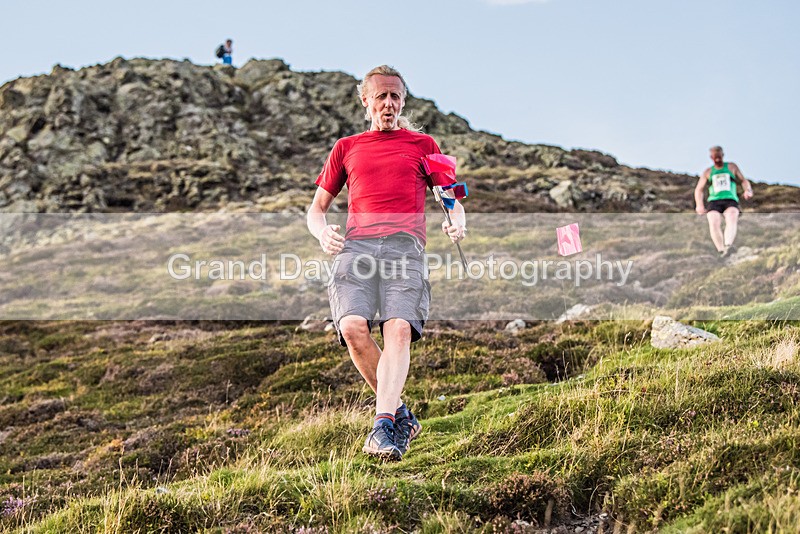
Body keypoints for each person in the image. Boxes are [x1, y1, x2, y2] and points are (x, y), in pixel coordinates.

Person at [307, 65, 466, 461]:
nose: (389, 103)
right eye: (381, 96)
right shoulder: (346, 147)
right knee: (352, 328)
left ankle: (382, 426)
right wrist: (321, 232)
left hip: (404, 249)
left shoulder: (423, 144)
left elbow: (450, 196)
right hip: (356, 250)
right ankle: (401, 415)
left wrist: (457, 220)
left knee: (398, 330)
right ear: (366, 101)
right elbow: (316, 210)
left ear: (403, 101)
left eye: (395, 96)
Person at [694, 146, 753, 257]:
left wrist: (748, 190)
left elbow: (744, 181)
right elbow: (699, 189)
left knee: (731, 217)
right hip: (714, 201)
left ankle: (728, 245)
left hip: (730, 199)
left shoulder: (731, 167)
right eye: (715, 157)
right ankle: (721, 250)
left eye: (719, 157)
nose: (717, 159)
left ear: (723, 155)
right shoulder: (708, 172)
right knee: (713, 221)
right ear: (711, 157)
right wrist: (699, 205)